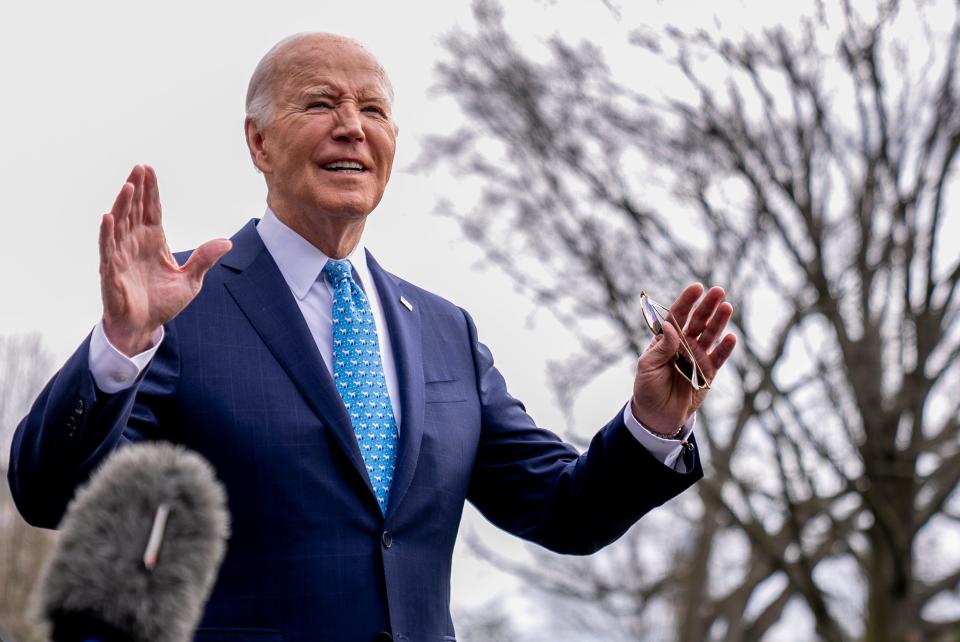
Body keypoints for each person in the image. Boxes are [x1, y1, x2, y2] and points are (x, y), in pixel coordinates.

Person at [9, 33, 736, 642]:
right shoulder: (185, 310)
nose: (352, 126)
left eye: (374, 110)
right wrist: (119, 345)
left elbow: (564, 510)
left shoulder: (445, 332)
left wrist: (653, 424)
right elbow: (49, 494)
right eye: (320, 103)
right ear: (259, 142)